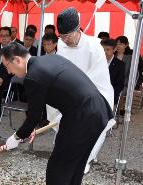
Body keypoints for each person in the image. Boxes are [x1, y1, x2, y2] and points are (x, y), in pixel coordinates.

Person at [1, 42, 113, 185]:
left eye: (8, 66)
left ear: (17, 60)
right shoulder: (48, 60)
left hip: (82, 117)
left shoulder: (33, 77)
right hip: (97, 110)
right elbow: (65, 89)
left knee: (58, 166)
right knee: (76, 163)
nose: (9, 72)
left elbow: (34, 115)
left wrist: (17, 137)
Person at [54, 7, 114, 173]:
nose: (65, 40)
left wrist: (77, 97)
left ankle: (84, 160)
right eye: (62, 36)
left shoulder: (94, 46)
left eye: (68, 36)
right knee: (59, 117)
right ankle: (67, 154)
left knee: (92, 124)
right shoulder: (62, 43)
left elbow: (95, 79)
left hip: (96, 93)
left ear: (77, 29)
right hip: (71, 92)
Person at [101, 38, 125, 105]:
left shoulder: (120, 65)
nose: (104, 52)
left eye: (108, 49)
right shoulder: (97, 61)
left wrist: (110, 95)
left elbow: (119, 85)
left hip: (110, 95)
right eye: (103, 49)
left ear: (114, 49)